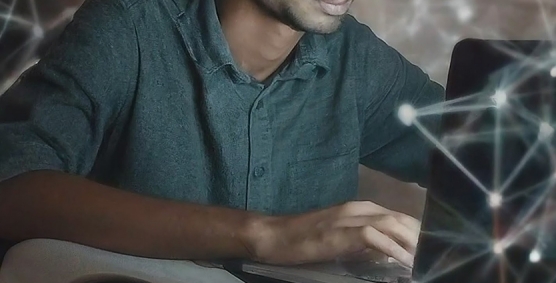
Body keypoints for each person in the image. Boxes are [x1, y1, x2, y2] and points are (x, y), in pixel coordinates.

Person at [0, 0, 443, 266]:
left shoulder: (357, 58)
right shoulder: (129, 24)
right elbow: (13, 188)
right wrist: (264, 235)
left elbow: (491, 154)